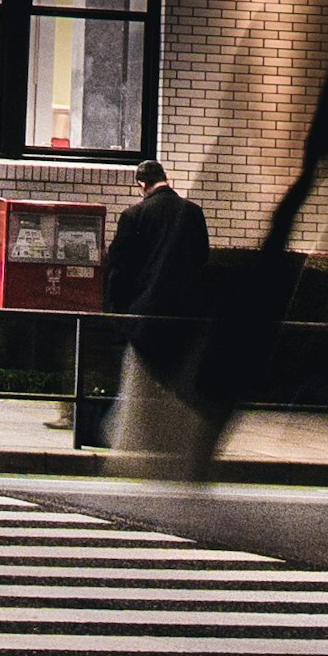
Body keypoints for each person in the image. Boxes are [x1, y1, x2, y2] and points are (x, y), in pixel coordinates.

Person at [83, 156, 209, 448]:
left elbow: (118, 267)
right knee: (175, 376)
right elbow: (202, 260)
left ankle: (132, 434)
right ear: (165, 177)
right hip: (182, 314)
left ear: (142, 184)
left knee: (139, 374)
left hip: (142, 313)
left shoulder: (134, 216)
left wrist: (115, 312)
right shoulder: (193, 213)